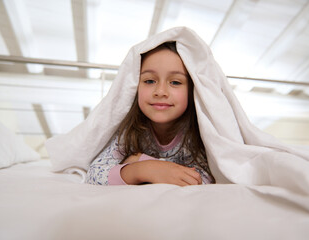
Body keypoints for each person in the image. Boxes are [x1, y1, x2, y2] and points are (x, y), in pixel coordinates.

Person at [85, 41, 214, 186]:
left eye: (176, 82)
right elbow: (94, 175)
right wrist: (142, 170)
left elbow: (204, 181)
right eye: (150, 81)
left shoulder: (195, 133)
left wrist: (142, 160)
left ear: (193, 91)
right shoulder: (129, 130)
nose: (160, 92)